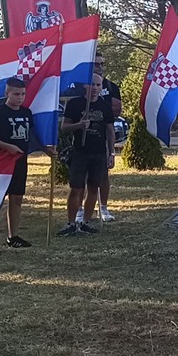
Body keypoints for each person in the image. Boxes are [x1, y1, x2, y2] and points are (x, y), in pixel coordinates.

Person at [0, 77, 43, 253]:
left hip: (20, 161)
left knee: (16, 198)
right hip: (1, 162)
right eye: (16, 94)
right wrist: (7, 146)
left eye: (23, 94)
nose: (20, 97)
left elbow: (31, 136)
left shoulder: (26, 112)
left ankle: (13, 236)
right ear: (7, 93)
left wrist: (46, 148)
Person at [57, 73, 114, 236]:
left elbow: (110, 131)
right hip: (79, 152)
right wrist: (79, 125)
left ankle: (86, 222)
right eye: (92, 84)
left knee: (93, 188)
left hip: (99, 153)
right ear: (85, 86)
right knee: (76, 188)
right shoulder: (75, 104)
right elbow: (64, 127)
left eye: (98, 85)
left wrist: (111, 153)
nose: (95, 88)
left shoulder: (105, 106)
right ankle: (71, 223)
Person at [72, 53, 122, 223]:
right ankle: (79, 210)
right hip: (81, 139)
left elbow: (115, 111)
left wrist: (112, 151)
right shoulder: (79, 86)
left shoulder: (110, 86)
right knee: (81, 178)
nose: (100, 67)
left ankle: (103, 208)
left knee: (103, 175)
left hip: (101, 138)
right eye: (96, 64)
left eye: (102, 64)